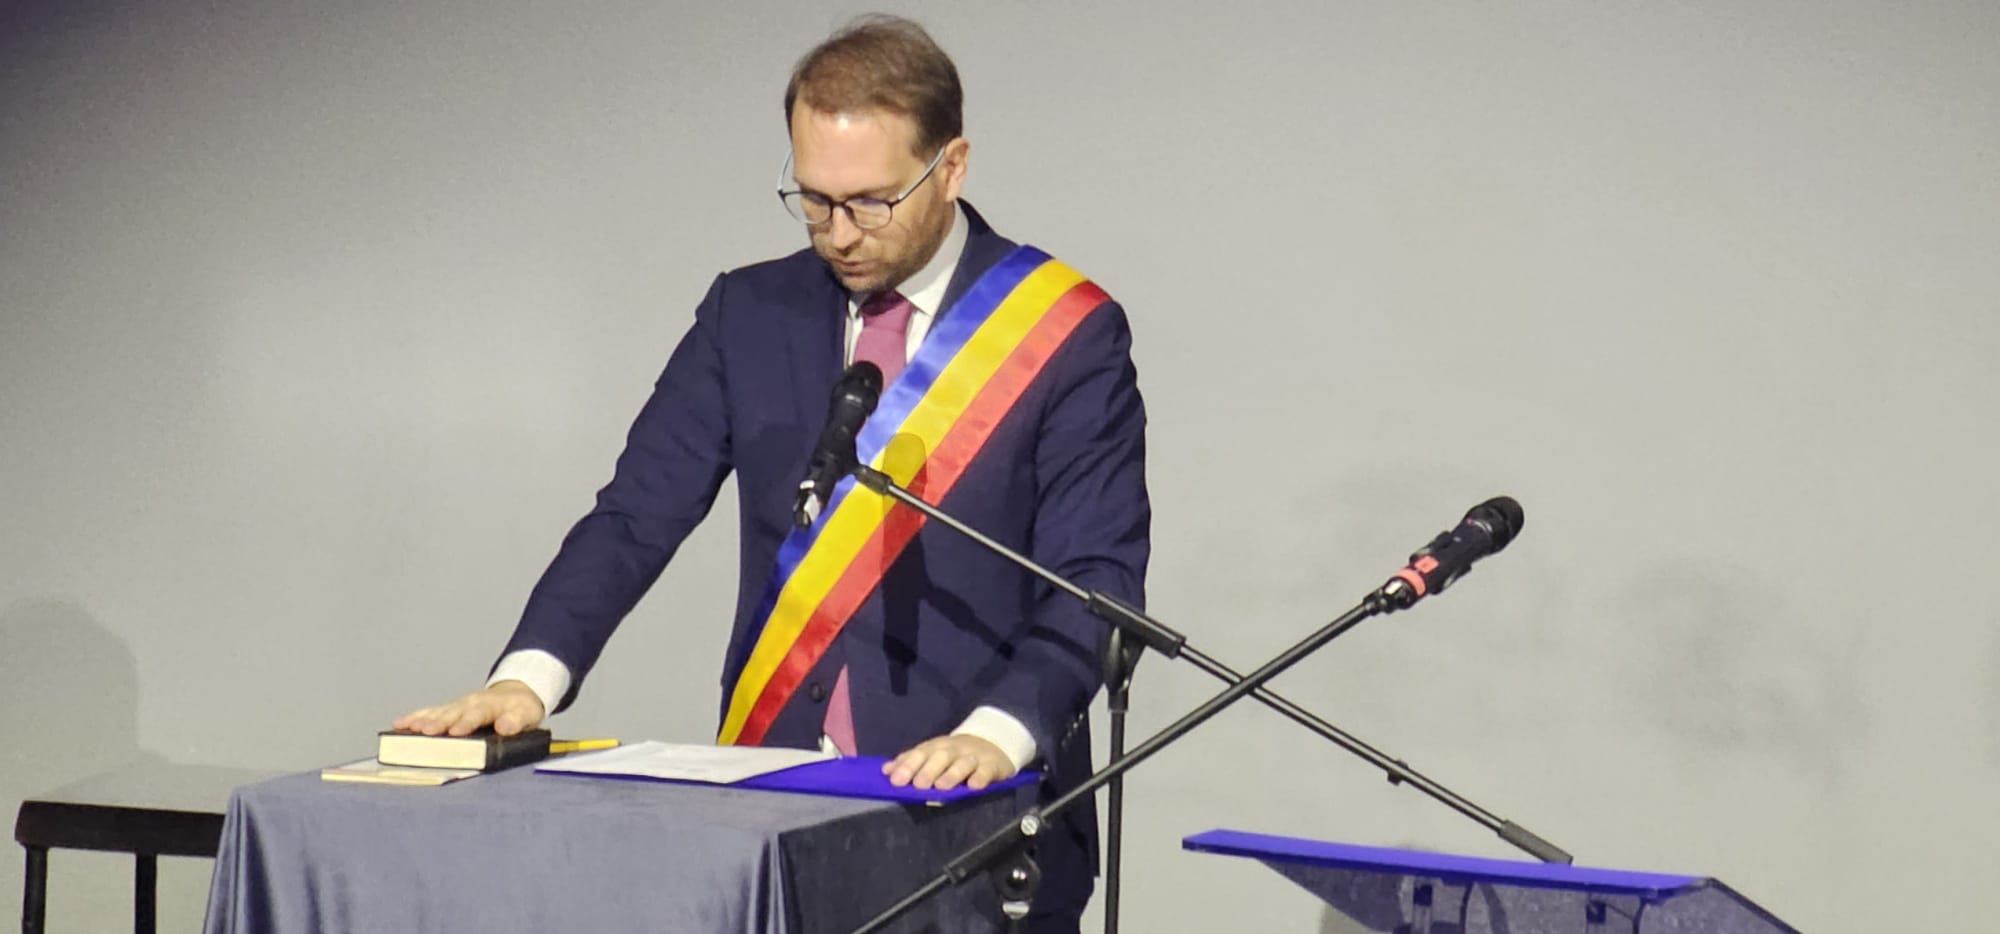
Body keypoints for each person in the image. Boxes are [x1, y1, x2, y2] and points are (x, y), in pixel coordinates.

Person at [395, 15, 1148, 931]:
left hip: (980, 821)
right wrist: (529, 677)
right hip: (770, 814)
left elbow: (1095, 579)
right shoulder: (747, 312)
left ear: (951, 167)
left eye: (870, 202)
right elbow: (635, 515)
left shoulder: (1065, 333)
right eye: (814, 200)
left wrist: (998, 734)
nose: (840, 234)